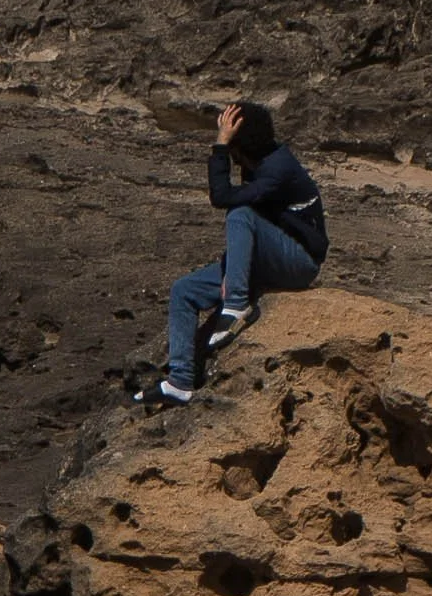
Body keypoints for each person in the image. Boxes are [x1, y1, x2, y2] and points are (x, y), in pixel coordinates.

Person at [136, 99, 328, 409]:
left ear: (241, 144)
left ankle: (237, 305)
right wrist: (231, 272)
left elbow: (224, 198)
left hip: (300, 262)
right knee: (184, 290)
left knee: (240, 214)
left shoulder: (278, 167)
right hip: (267, 260)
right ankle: (180, 381)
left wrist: (220, 145)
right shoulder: (256, 165)